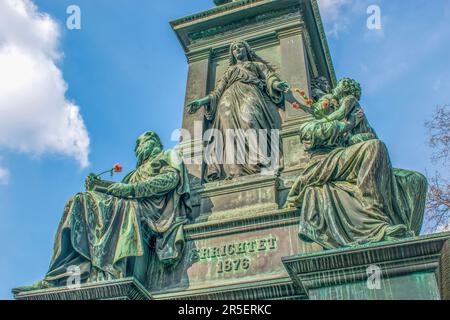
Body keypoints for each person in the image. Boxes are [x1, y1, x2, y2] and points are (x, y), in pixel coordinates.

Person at [13, 131, 192, 293]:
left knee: (120, 208)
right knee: (80, 200)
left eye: (143, 143)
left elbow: (171, 179)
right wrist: (99, 187)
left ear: (154, 143)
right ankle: (61, 275)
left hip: (151, 211)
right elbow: (118, 191)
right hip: (128, 201)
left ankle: (108, 269)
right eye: (138, 146)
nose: (140, 148)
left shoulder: (169, 155)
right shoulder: (132, 174)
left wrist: (131, 190)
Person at [285, 78, 427, 249]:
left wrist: (355, 129)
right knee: (374, 147)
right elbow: (318, 134)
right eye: (329, 104)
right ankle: (375, 215)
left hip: (349, 163)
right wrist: (347, 124)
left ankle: (407, 238)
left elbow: (367, 138)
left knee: (416, 179)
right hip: (324, 164)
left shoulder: (352, 125)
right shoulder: (309, 126)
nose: (335, 106)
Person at [187, 40, 289, 181]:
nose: (237, 50)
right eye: (234, 49)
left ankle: (259, 163)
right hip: (227, 100)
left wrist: (277, 85)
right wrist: (200, 102)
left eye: (240, 46)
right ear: (232, 54)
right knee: (230, 133)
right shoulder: (230, 71)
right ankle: (236, 170)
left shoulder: (256, 65)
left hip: (250, 94)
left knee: (250, 121)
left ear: (247, 49)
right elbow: (217, 92)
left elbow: (269, 78)